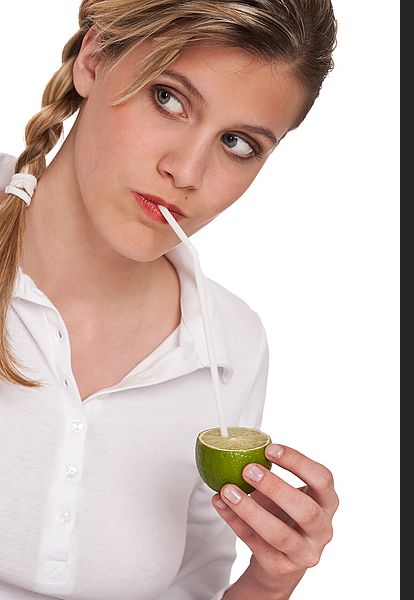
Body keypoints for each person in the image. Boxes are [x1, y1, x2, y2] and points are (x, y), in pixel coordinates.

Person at [0, 1, 339, 598]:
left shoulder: (229, 342)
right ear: (95, 57)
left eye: (237, 143)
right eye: (169, 99)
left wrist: (270, 578)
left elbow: (191, 587)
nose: (186, 171)